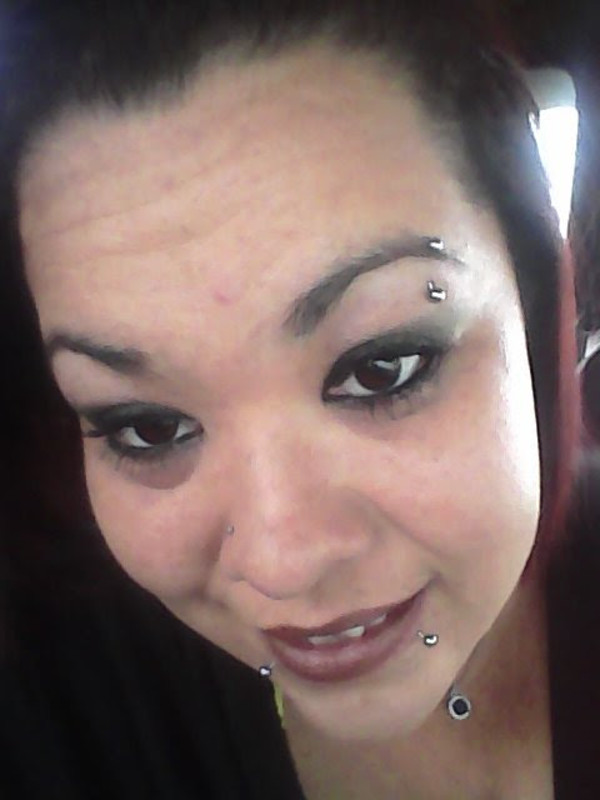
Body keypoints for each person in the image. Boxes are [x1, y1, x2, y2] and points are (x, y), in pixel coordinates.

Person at [0, 1, 597, 797]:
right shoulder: (64, 704)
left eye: (382, 369)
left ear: (531, 300)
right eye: (147, 426)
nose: (284, 565)